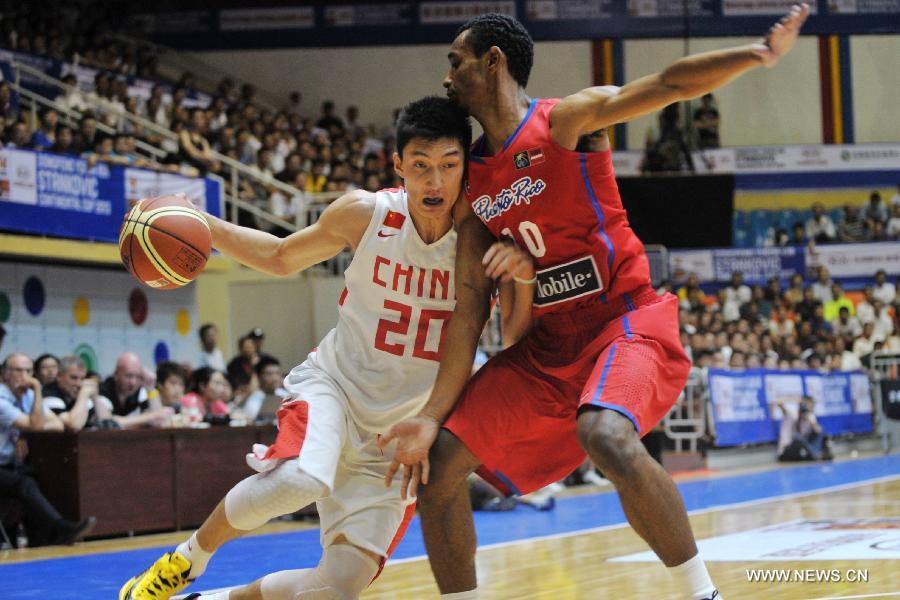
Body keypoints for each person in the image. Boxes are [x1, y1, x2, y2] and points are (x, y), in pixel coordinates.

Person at [380, 6, 810, 600]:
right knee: (441, 468)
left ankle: (700, 593)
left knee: (605, 434)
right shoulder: (471, 181)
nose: (447, 75)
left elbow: (665, 85)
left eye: (456, 61)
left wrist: (756, 54)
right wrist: (430, 417)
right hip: (547, 347)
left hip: (624, 320)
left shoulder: (566, 121)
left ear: (493, 61)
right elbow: (470, 309)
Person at [119, 96, 534, 600]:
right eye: (421, 166)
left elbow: (514, 337)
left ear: (465, 166)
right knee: (302, 479)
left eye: (449, 166)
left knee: (332, 590)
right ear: (398, 164)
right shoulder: (366, 213)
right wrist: (203, 225)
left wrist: (525, 278)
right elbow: (278, 256)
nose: (435, 182)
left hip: (398, 436)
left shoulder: (486, 234)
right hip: (334, 389)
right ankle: (185, 562)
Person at [0, 352, 96, 546]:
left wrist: (25, 433)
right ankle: (62, 528)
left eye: (28, 371)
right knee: (24, 483)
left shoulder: (27, 397)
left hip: (11, 465)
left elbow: (58, 425)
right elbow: (36, 424)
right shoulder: (1, 399)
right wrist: (36, 389)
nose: (24, 376)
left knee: (43, 477)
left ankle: (43, 539)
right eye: (18, 370)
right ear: (5, 374)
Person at [99, 352, 173, 429]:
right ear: (116, 375)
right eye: (129, 376)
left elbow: (159, 421)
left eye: (138, 376)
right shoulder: (103, 390)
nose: (133, 382)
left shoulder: (141, 391)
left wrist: (151, 388)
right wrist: (150, 417)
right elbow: (107, 422)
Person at [41, 355, 93, 432]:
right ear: (59, 376)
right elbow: (74, 425)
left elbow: (106, 421)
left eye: (82, 378)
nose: (79, 384)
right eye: (74, 378)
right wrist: (83, 395)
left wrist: (95, 397)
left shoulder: (78, 394)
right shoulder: (49, 394)